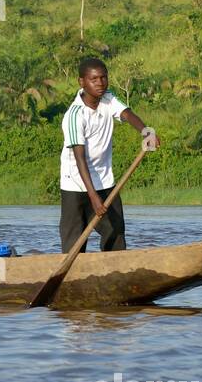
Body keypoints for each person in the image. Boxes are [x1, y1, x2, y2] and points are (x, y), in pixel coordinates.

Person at [60, 57, 159, 253]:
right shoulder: (75, 115)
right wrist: (93, 197)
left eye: (103, 78)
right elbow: (80, 159)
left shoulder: (108, 98)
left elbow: (127, 114)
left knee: (115, 232)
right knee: (75, 241)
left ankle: (115, 272)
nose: (100, 83)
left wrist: (147, 132)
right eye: (94, 79)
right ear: (82, 82)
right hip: (76, 184)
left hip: (104, 181)